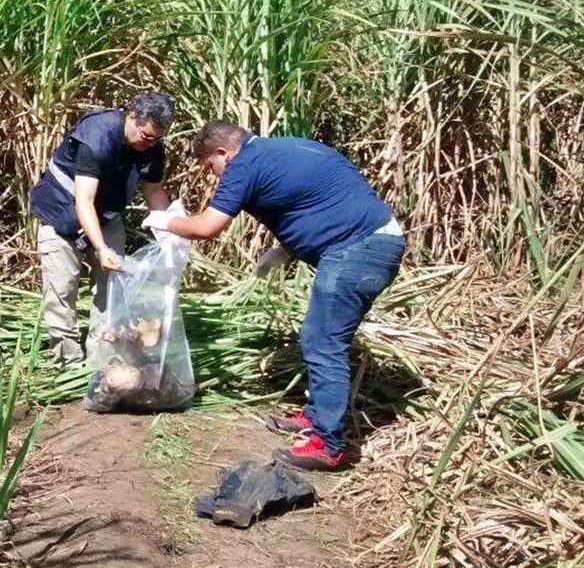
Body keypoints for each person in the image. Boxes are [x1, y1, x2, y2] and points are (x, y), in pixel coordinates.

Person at [143, 120, 405, 470]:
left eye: (210, 166)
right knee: (318, 336)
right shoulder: (284, 148)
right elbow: (318, 201)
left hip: (359, 248)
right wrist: (286, 249)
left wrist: (162, 222)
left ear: (223, 152)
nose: (212, 175)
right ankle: (315, 418)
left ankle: (329, 446)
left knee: (324, 340)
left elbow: (206, 228)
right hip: (370, 241)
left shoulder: (244, 165)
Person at [30, 92, 175, 366]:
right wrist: (101, 248)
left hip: (106, 217)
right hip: (63, 214)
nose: (151, 143)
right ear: (132, 116)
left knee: (112, 289)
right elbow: (83, 199)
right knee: (61, 290)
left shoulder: (152, 146)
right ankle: (67, 363)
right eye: (146, 136)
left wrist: (169, 236)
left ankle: (100, 362)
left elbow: (154, 191)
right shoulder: (98, 134)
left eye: (157, 137)